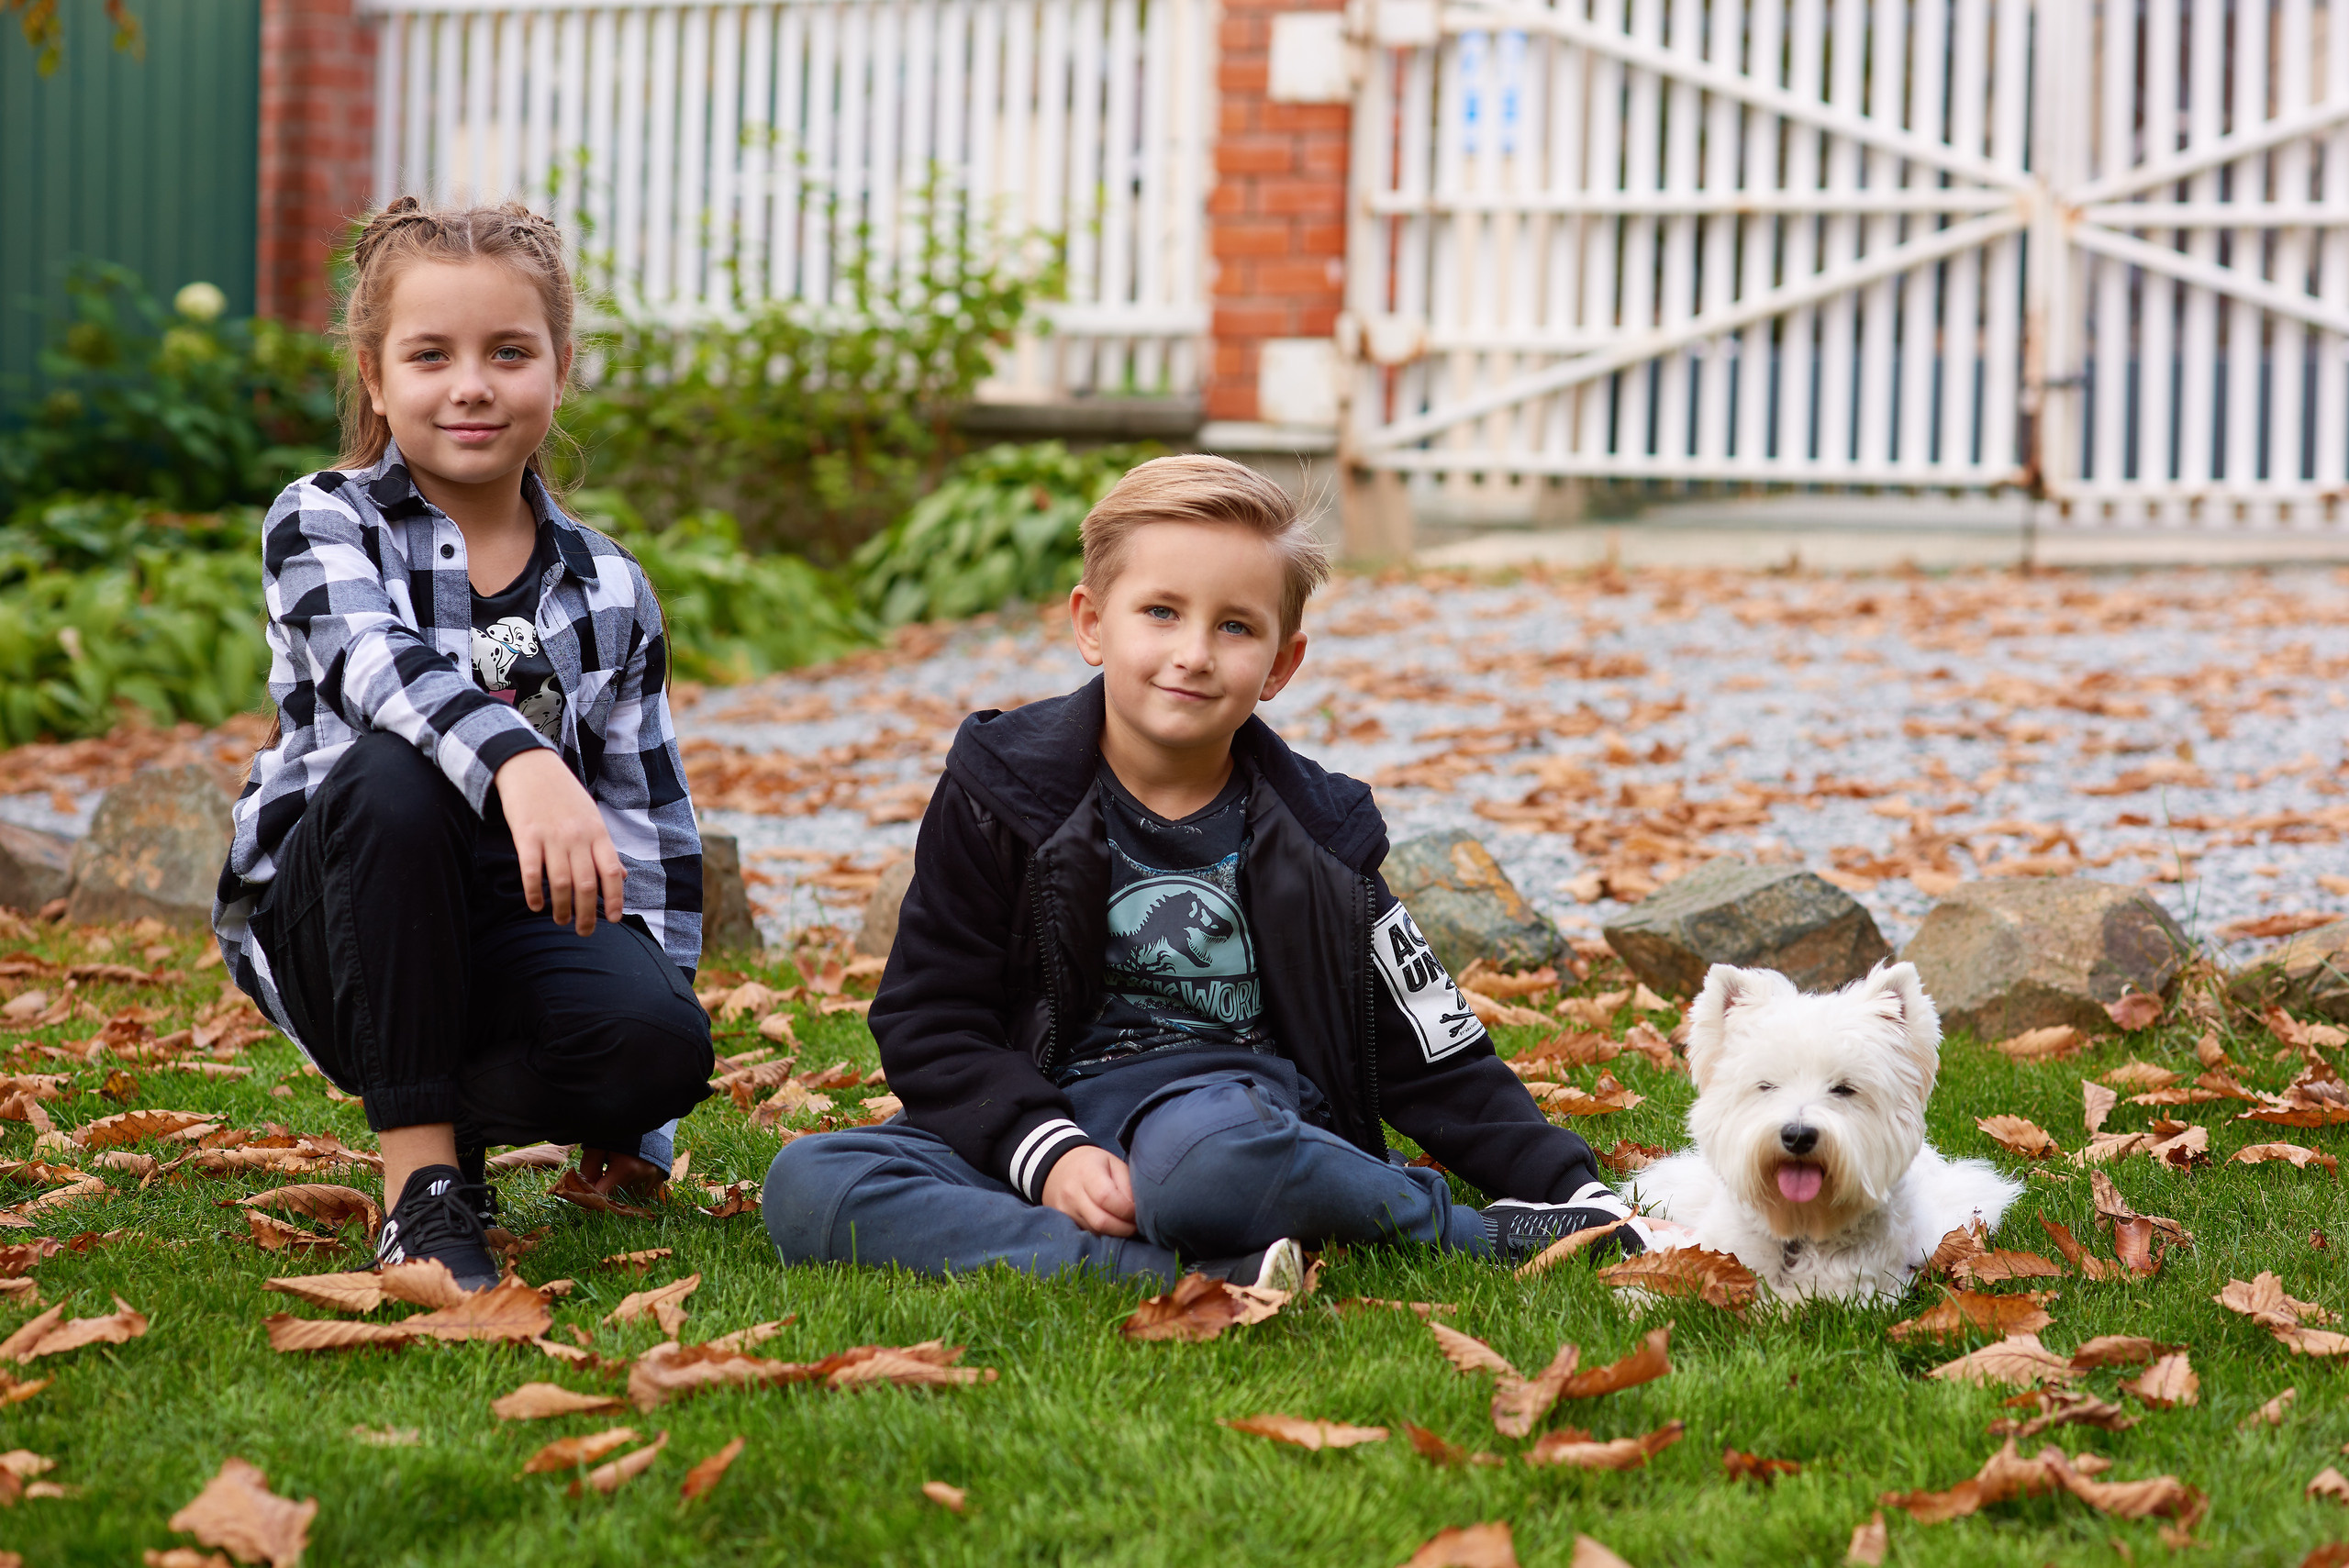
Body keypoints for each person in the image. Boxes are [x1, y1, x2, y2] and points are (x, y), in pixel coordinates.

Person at [763, 455, 1651, 1287]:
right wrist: (1047, 1150)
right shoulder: (1002, 791)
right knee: (811, 1182)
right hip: (1055, 1112)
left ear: (1280, 664)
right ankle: (1192, 1267)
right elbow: (930, 1017)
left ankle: (1472, 1233)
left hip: (1227, 1113)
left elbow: (1431, 1045)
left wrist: (1568, 1185)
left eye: (1234, 626)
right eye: (1160, 612)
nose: (1193, 651)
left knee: (1209, 1165)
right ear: (1091, 623)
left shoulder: (1322, 835)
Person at [212, 198, 713, 1291]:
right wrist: (522, 758)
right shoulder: (324, 518)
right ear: (375, 375)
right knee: (398, 770)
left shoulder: (609, 584)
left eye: (509, 353)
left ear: (561, 368)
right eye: (431, 354)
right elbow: (372, 664)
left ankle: (449, 1098)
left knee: (662, 1046)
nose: (471, 385)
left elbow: (647, 823)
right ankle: (423, 1188)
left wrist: (640, 1103)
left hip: (509, 914)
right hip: (342, 909)